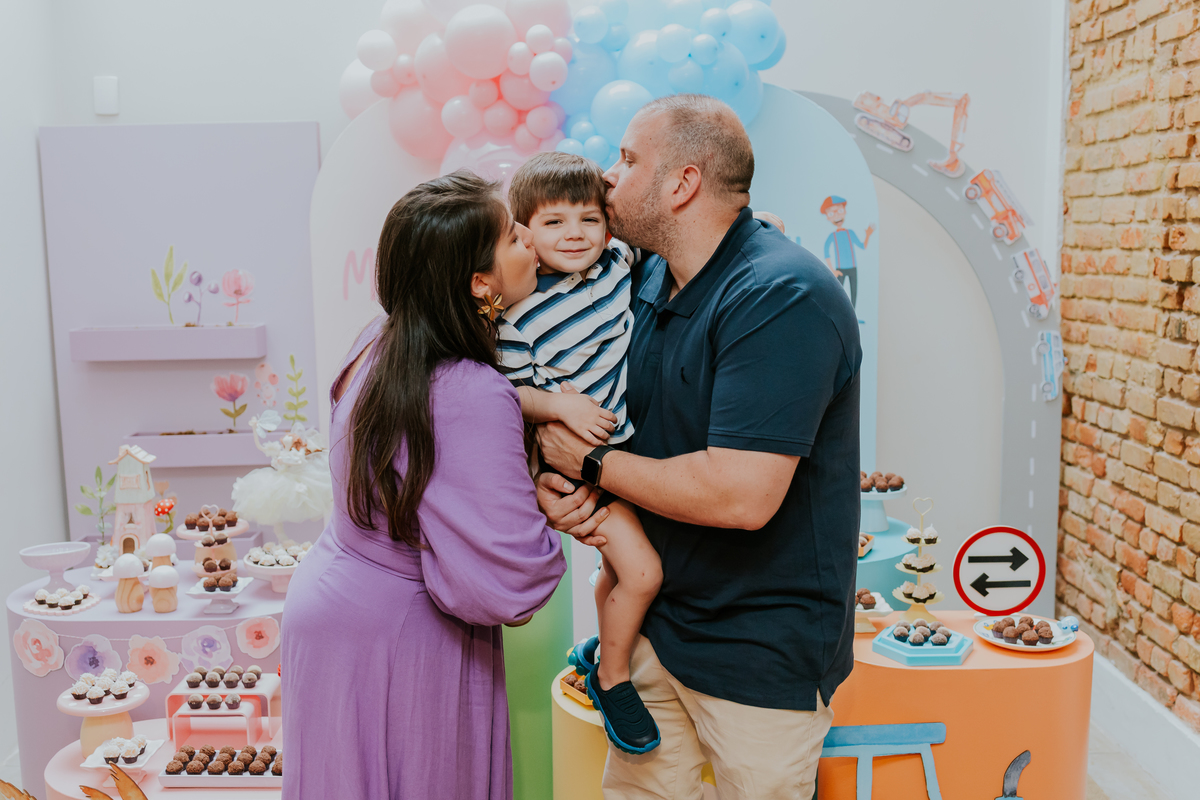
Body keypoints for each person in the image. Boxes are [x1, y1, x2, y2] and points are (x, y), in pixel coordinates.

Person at [536, 95, 862, 800]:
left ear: (681, 184)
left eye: (627, 161)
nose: (606, 176)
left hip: (759, 652)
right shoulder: (648, 276)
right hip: (661, 627)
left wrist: (586, 463)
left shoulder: (782, 296)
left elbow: (740, 496)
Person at [280, 171, 567, 800]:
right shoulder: (470, 386)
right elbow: (511, 580)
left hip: (333, 606)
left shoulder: (379, 343)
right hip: (399, 634)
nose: (534, 245)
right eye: (516, 237)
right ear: (479, 283)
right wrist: (552, 506)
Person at [498, 151, 663, 755]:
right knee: (644, 574)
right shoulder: (517, 314)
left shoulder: (620, 263)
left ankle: (599, 646)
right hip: (578, 475)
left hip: (627, 459)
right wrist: (560, 408)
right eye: (553, 222)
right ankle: (613, 677)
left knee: (621, 573)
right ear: (524, 233)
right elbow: (509, 395)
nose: (574, 234)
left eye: (588, 219)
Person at [820, 194, 875, 308]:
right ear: (827, 217)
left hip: (852, 268)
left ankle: (853, 318)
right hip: (840, 269)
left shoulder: (850, 233)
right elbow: (826, 251)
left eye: (839, 210)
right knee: (838, 295)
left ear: (844, 211)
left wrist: (868, 235)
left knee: (853, 293)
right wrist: (833, 270)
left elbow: (862, 246)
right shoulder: (833, 236)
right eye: (831, 213)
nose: (837, 216)